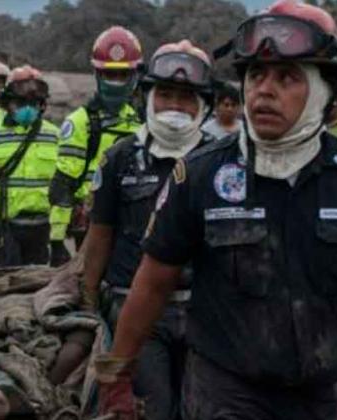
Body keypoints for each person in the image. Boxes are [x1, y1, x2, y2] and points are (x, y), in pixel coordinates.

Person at [97, 2, 337, 420]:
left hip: (315, 398)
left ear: (326, 90)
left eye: (287, 77)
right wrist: (117, 376)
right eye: (255, 75)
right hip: (224, 393)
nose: (263, 90)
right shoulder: (198, 175)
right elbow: (153, 282)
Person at [84, 40, 216, 420]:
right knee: (151, 409)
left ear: (204, 104)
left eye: (187, 98)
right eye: (167, 95)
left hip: (205, 313)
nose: (176, 106)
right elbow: (100, 234)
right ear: (148, 97)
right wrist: (88, 300)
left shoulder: (221, 164)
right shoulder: (120, 159)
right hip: (133, 311)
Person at [48, 26, 143, 267]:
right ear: (97, 75)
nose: (116, 83)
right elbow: (63, 184)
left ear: (134, 77)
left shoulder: (141, 122)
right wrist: (57, 239)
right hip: (91, 223)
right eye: (110, 74)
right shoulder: (80, 122)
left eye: (123, 75)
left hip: (133, 223)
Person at [0, 65, 59, 267]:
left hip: (43, 229)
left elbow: (65, 181)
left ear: (42, 104)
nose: (27, 109)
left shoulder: (54, 136)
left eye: (33, 103)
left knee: (38, 285)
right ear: (8, 103)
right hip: (3, 228)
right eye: (20, 102)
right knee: (2, 285)